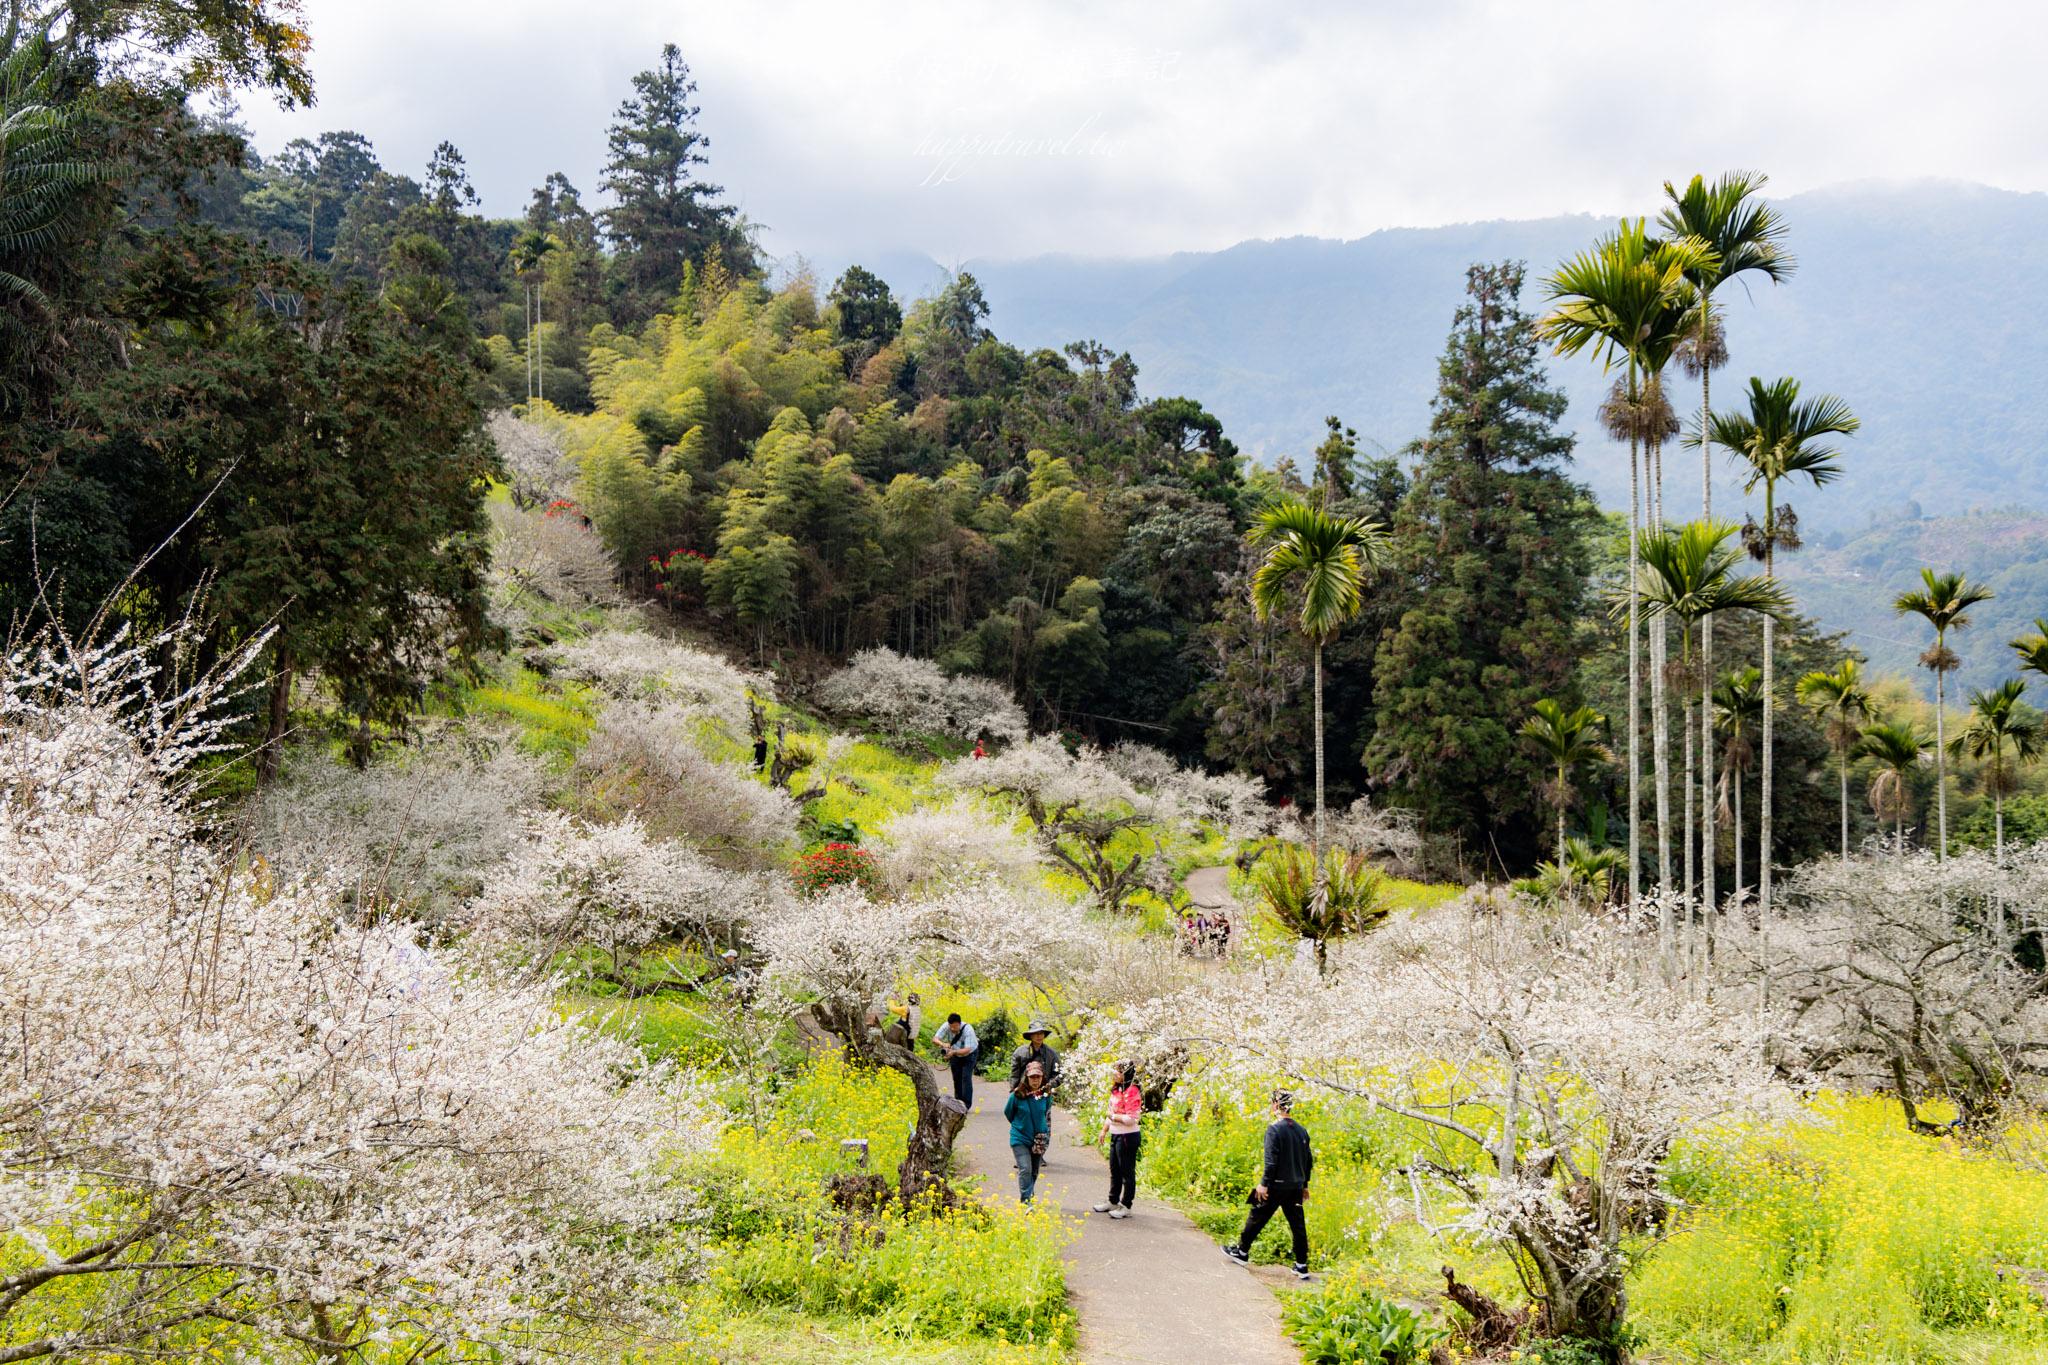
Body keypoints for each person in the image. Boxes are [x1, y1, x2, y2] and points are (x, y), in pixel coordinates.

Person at [1223, 1089, 1314, 1280]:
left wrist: (1263, 1184)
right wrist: (1305, 1185)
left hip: (1276, 1185)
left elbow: (1271, 1161)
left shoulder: (1274, 1129)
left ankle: (1242, 1251)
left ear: (1275, 1105)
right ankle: (1301, 1265)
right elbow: (1308, 1161)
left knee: (1257, 1215)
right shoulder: (1302, 1131)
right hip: (1296, 1186)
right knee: (1298, 1226)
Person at [1094, 1061, 1143, 1219]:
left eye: (1118, 1071)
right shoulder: (1116, 1090)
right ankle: (1112, 1200)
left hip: (1128, 1136)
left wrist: (1114, 1117)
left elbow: (1132, 1118)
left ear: (1126, 1073)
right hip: (1115, 1134)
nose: (1115, 1074)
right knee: (1114, 1170)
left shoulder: (1132, 1090)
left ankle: (1126, 1205)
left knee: (1126, 1172)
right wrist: (1104, 1130)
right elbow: (1111, 1112)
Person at [1004, 1061, 1053, 1203]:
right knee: (1025, 1168)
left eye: (1038, 1077)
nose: (1035, 1080)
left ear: (1042, 1077)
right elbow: (1008, 1113)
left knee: (1034, 1171)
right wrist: (1020, 1126)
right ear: (1027, 1077)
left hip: (1039, 1139)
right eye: (1032, 1077)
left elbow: (1046, 1112)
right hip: (1019, 1138)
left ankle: (1029, 1193)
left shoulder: (1046, 1095)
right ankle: (1026, 1201)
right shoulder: (1016, 1095)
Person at [933, 1012, 979, 1110]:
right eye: (951, 1027)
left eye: (955, 1027)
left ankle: (966, 1105)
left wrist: (953, 1052)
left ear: (959, 1023)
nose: (953, 1029)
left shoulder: (968, 1030)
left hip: (970, 1054)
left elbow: (967, 1050)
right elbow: (935, 1039)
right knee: (957, 1078)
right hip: (955, 1053)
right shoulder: (946, 1026)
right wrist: (943, 1044)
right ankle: (958, 1103)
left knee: (966, 1078)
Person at [1009, 1019, 1061, 1094]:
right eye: (1035, 1033)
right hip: (1023, 1092)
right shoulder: (1019, 1053)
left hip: (1043, 1094)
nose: (1039, 1036)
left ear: (1044, 1035)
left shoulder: (1051, 1054)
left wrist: (1048, 1087)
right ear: (1031, 1035)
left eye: (1041, 1033)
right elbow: (1014, 1075)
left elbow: (1058, 1074)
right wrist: (1014, 1091)